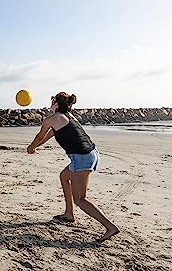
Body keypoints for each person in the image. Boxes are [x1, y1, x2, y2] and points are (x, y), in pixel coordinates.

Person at [27, 92, 120, 242]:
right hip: (91, 153)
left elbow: (39, 136)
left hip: (81, 157)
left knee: (80, 199)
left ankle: (110, 227)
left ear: (56, 104)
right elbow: (46, 137)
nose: (50, 102)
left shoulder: (51, 119)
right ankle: (69, 214)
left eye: (52, 100)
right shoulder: (66, 117)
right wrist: (35, 147)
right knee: (64, 176)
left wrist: (31, 147)